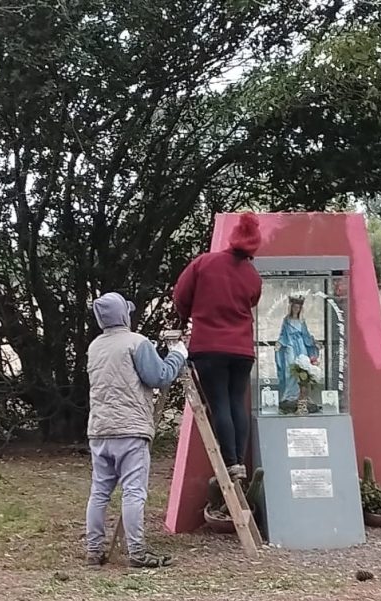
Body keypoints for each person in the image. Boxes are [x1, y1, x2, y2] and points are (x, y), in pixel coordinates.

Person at [85, 292, 187, 569]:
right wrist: (178, 354)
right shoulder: (136, 343)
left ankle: (94, 551)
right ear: (123, 315)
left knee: (99, 492)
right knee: (133, 492)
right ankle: (137, 553)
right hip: (130, 429)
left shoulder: (95, 346)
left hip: (99, 430)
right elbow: (159, 377)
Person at [173, 212, 263, 480]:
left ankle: (230, 461)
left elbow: (180, 294)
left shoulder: (205, 263)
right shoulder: (252, 275)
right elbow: (252, 302)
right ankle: (239, 463)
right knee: (237, 401)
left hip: (209, 347)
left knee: (220, 403)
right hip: (243, 350)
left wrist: (187, 313)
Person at [275, 295, 319, 403]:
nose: (296, 309)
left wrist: (314, 342)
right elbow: (283, 334)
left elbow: (306, 335)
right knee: (290, 369)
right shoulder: (286, 320)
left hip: (301, 346)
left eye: (298, 307)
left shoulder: (302, 321)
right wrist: (280, 343)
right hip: (290, 345)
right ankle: (290, 395)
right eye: (294, 307)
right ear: (291, 308)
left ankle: (302, 395)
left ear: (300, 309)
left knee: (303, 369)